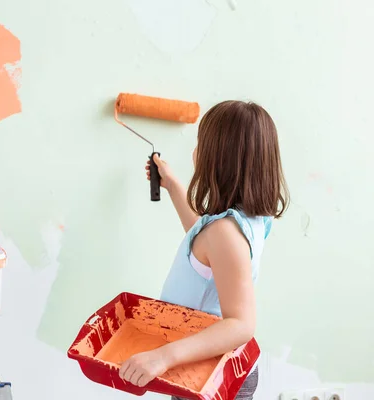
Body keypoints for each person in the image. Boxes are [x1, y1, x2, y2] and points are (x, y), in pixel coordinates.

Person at [118, 100, 289, 399]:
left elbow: (241, 325)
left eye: (200, 143)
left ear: (218, 159)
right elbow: (204, 245)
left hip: (210, 372)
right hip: (202, 364)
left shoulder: (225, 233)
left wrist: (163, 357)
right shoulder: (244, 221)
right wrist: (172, 185)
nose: (194, 151)